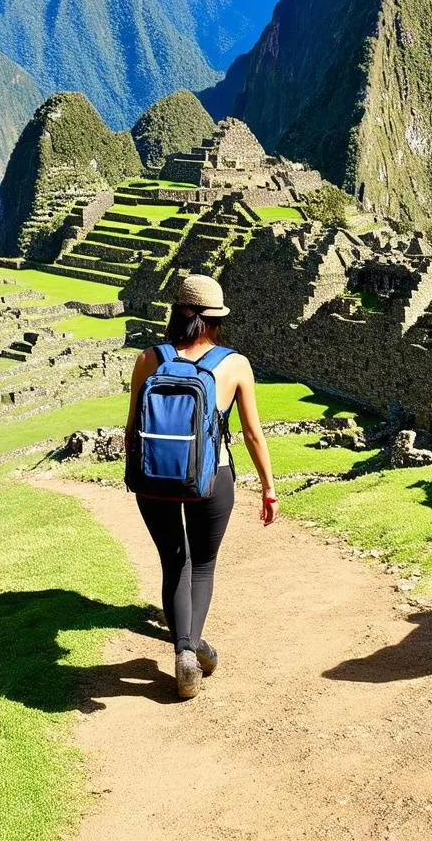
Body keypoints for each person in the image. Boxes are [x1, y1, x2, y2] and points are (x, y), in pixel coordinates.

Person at [125, 274, 277, 699]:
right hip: (211, 478)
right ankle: (189, 652)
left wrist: (137, 475)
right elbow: (251, 434)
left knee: (174, 561)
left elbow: (132, 429)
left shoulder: (148, 359)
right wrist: (268, 488)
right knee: (203, 564)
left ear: (177, 314)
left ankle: (185, 651)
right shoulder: (234, 364)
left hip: (153, 479)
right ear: (214, 321)